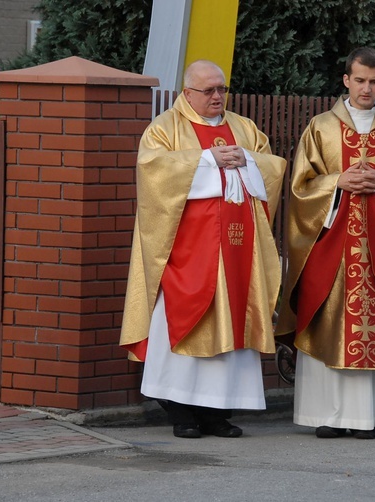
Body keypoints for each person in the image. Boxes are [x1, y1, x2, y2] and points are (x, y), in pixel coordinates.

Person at [119, 60, 286, 439]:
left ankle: (217, 414)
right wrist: (207, 159)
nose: (216, 97)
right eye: (208, 90)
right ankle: (181, 412)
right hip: (186, 254)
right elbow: (151, 171)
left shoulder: (243, 128)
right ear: (188, 92)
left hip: (237, 252)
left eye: (221, 89)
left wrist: (249, 161)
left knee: (232, 328)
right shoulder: (164, 128)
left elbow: (272, 165)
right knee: (181, 324)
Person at [276, 47, 375, 440]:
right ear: (346, 80)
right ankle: (326, 416)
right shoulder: (321, 127)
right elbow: (300, 187)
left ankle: (372, 418)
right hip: (333, 245)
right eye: (359, 80)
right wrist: (336, 183)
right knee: (329, 324)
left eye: (374, 81)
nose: (367, 88)